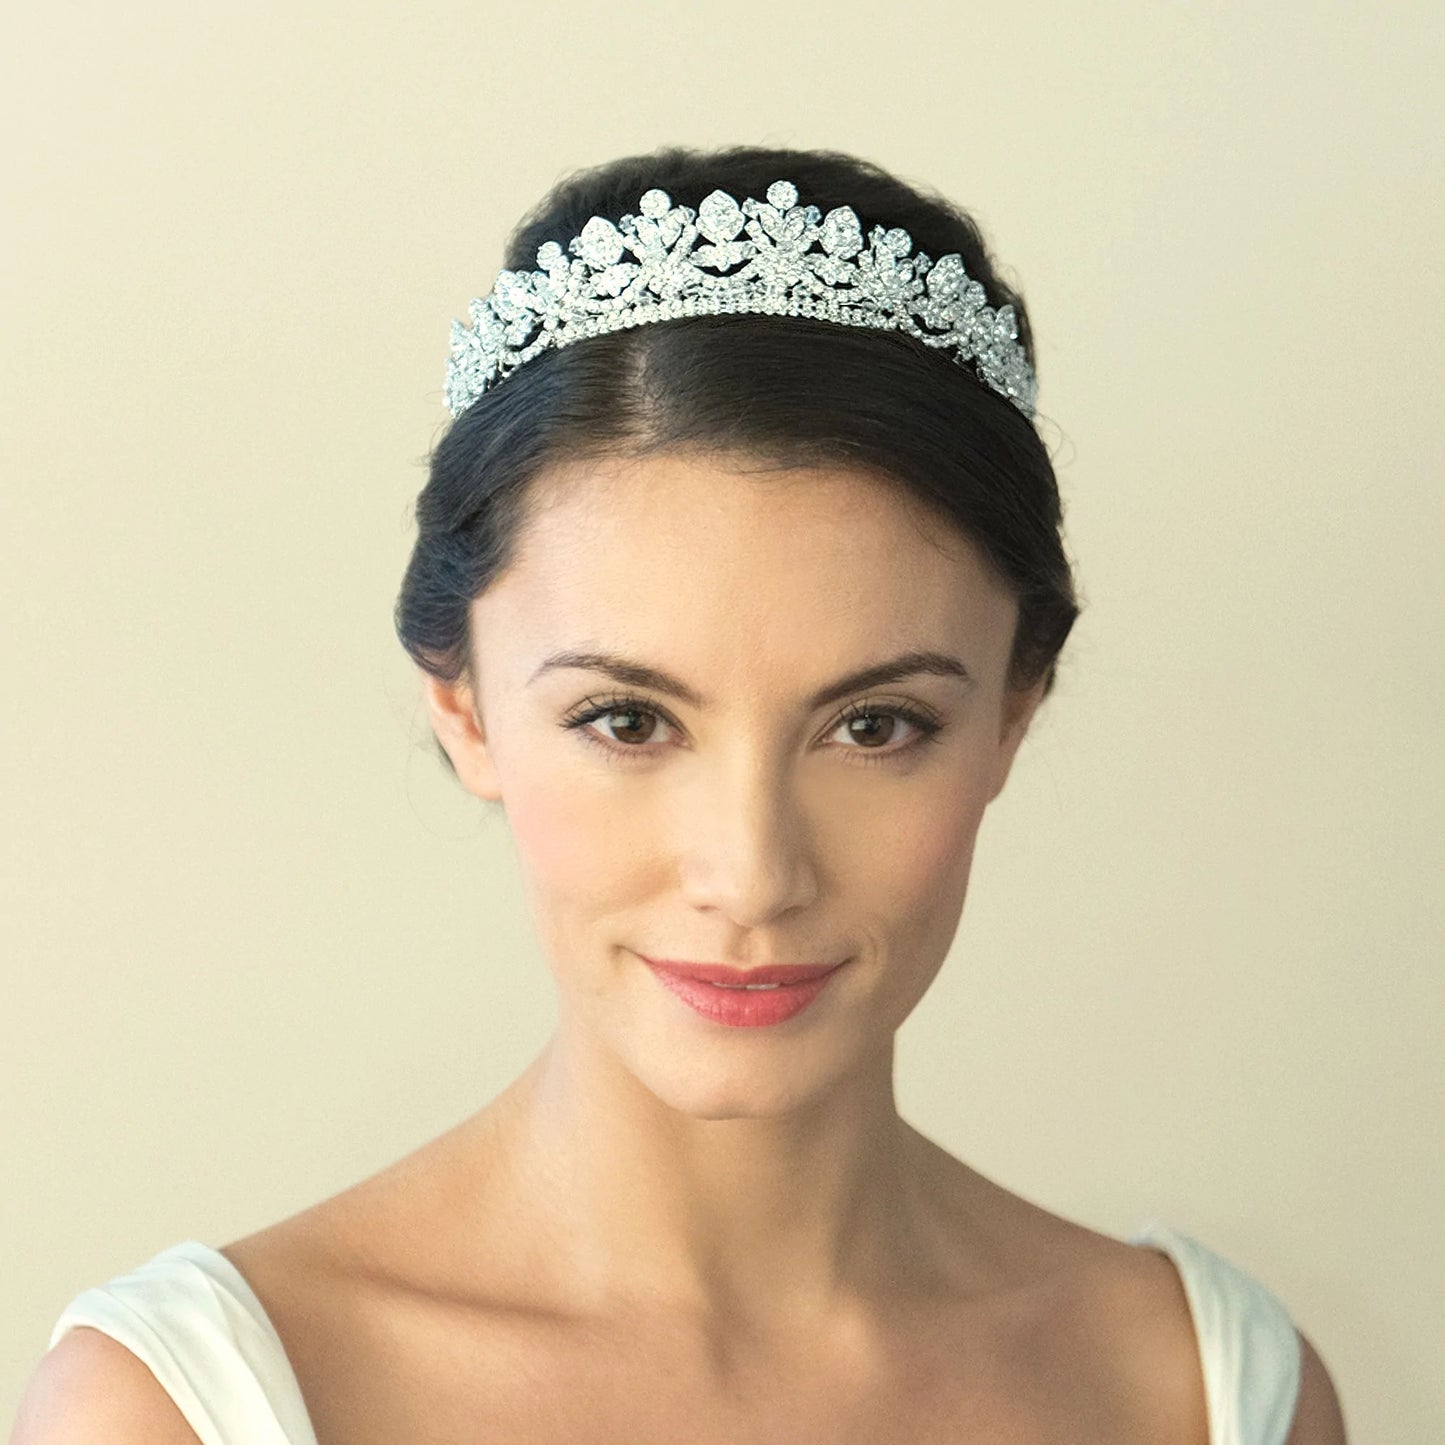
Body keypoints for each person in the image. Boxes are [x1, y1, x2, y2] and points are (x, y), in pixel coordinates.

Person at [12, 144, 1347, 1445]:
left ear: (1012, 711)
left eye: (873, 725)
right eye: (629, 721)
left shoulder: (1200, 1393)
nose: (752, 874)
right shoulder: (184, 1411)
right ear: (464, 709)